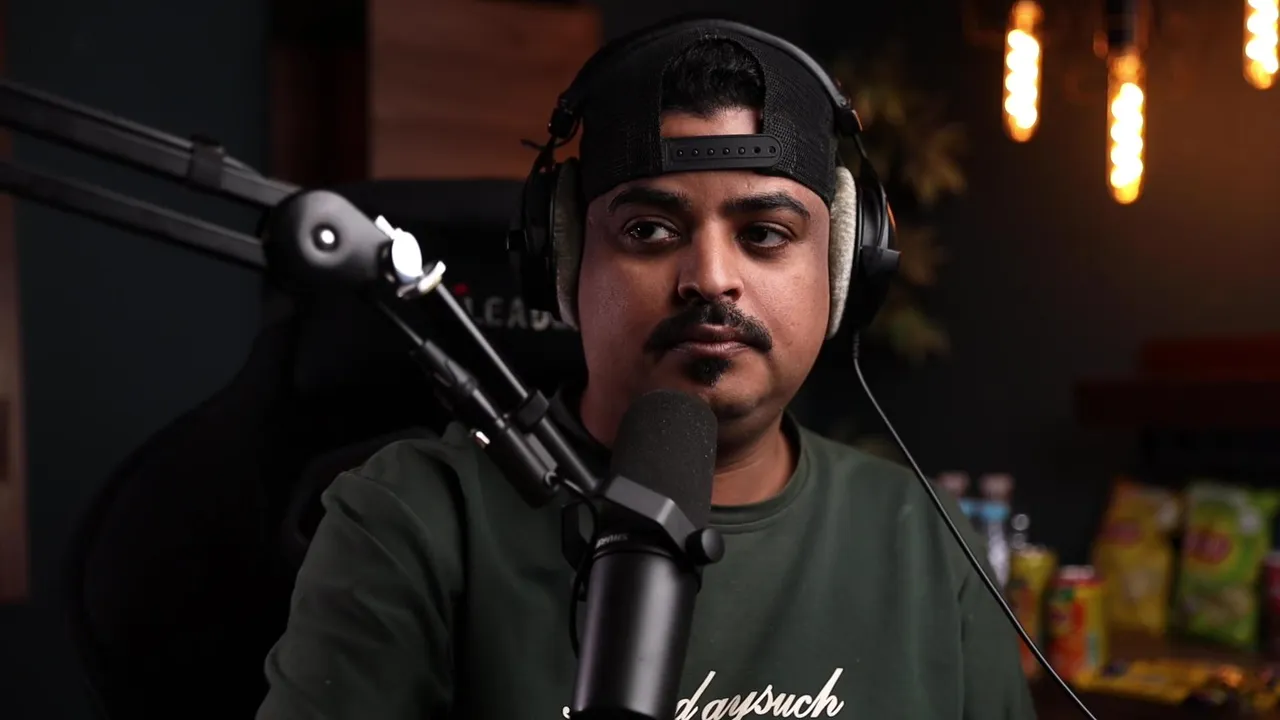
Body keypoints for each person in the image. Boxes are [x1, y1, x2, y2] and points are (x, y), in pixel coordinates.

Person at [257, 18, 1036, 720]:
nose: (711, 278)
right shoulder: (415, 519)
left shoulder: (925, 538)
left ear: (841, 269)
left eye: (765, 234)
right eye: (650, 230)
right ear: (565, 261)